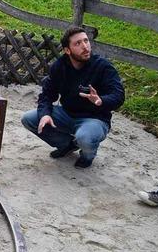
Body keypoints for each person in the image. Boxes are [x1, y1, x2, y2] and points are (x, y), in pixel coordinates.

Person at [21, 26, 124, 169]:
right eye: (78, 43)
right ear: (67, 50)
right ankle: (67, 145)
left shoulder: (103, 66)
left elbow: (118, 95)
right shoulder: (60, 66)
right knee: (29, 119)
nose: (85, 46)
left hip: (95, 119)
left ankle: (87, 156)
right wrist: (45, 114)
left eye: (86, 41)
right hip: (67, 114)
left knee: (85, 138)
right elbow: (46, 95)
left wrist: (101, 101)